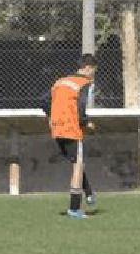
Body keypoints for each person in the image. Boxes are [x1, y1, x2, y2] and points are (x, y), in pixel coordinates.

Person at [42, 53, 98, 220]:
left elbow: (44, 101)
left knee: (77, 162)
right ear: (88, 68)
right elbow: (81, 106)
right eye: (93, 70)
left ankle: (89, 193)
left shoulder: (60, 82)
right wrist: (86, 122)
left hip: (57, 128)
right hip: (71, 128)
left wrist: (52, 117)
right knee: (78, 166)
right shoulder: (84, 83)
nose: (93, 74)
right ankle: (74, 209)